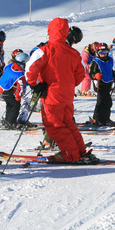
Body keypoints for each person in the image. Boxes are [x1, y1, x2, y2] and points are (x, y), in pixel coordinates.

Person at [26, 18, 96, 163]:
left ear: (50, 32)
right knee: (68, 123)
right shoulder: (73, 53)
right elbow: (81, 74)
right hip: (67, 96)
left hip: (51, 95)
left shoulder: (45, 50)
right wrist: (68, 85)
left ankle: (70, 155)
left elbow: (29, 70)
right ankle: (80, 151)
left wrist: (36, 85)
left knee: (54, 127)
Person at [0, 51, 30, 129]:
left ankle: (8, 120)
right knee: (16, 105)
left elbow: (5, 69)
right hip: (7, 90)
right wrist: (18, 98)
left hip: (0, 87)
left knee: (10, 104)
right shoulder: (20, 75)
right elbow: (21, 88)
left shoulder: (11, 65)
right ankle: (11, 123)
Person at [89, 42, 115, 127]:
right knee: (100, 103)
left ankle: (105, 119)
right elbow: (91, 73)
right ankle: (96, 119)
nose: (103, 55)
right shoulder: (96, 62)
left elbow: (110, 70)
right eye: (101, 53)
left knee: (108, 103)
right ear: (98, 53)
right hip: (99, 85)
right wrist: (95, 75)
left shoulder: (110, 60)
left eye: (104, 52)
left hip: (108, 84)